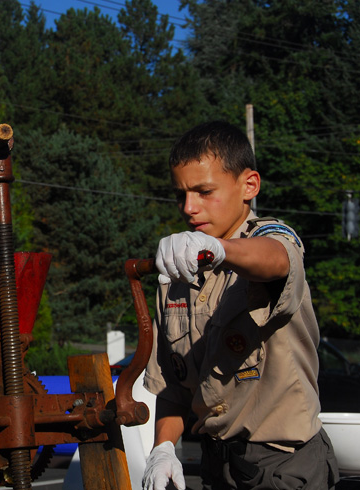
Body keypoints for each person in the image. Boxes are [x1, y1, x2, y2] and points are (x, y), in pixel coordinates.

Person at [142, 121, 339, 490]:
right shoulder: (175, 278)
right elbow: (174, 387)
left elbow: (276, 259)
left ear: (249, 185)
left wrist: (220, 251)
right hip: (216, 466)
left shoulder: (268, 239)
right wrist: (163, 448)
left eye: (204, 191)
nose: (189, 207)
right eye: (180, 194)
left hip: (284, 466)